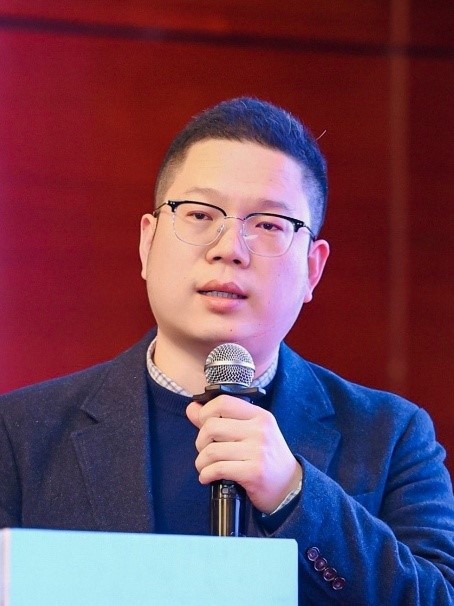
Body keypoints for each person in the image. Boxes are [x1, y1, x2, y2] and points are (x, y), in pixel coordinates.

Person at [0, 97, 453, 604]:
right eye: (199, 214)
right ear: (147, 243)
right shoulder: (19, 435)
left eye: (269, 224)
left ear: (313, 269)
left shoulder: (392, 437)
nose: (229, 248)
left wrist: (295, 495)